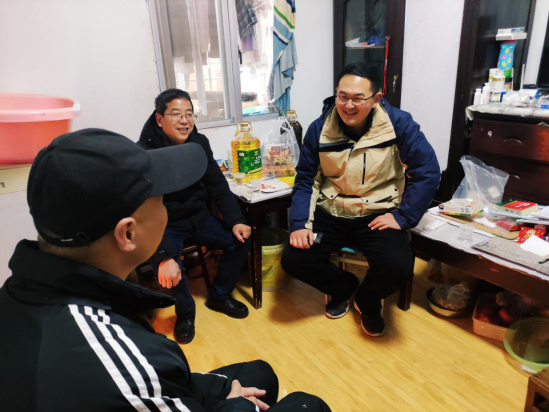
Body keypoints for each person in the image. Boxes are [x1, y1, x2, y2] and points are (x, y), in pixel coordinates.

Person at [0, 129, 331, 412]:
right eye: (160, 199)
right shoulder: (121, 358)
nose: (165, 206)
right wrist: (237, 405)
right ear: (128, 234)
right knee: (308, 404)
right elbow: (141, 383)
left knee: (260, 373)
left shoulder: (24, 293)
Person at [281, 62, 440, 337]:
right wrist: (299, 224)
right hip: (331, 211)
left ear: (376, 99)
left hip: (376, 214)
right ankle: (343, 287)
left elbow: (427, 171)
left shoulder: (398, 124)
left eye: (358, 98)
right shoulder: (319, 128)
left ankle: (367, 301)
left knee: (399, 267)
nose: (348, 105)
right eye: (343, 96)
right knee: (294, 259)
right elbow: (306, 179)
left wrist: (403, 217)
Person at [138, 89, 251, 344]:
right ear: (159, 119)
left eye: (189, 114)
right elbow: (144, 211)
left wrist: (236, 221)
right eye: (176, 114)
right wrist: (164, 256)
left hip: (199, 217)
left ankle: (219, 296)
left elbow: (217, 184)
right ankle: (185, 313)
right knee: (168, 269)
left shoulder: (199, 143)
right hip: (165, 224)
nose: (185, 121)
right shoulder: (144, 153)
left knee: (240, 239)